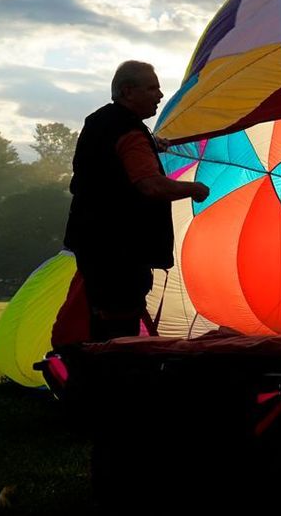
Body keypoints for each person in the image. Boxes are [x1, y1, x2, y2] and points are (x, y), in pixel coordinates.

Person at [62, 60, 210, 342]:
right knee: (120, 324)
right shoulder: (130, 132)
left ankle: (98, 375)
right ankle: (120, 377)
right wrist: (194, 188)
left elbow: (109, 159)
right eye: (152, 88)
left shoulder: (100, 121)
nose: (160, 95)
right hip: (120, 250)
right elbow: (151, 186)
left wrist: (151, 142)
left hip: (92, 243)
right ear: (128, 91)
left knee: (101, 318)